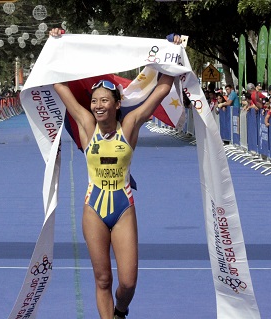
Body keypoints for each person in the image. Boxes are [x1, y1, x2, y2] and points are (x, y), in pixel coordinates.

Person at [49, 27, 181, 319]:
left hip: (123, 207)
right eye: (94, 100)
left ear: (116, 104)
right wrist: (56, 41)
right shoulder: (85, 123)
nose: (97, 105)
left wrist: (171, 50)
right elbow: (59, 84)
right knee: (103, 279)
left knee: (128, 282)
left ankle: (121, 310)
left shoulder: (131, 124)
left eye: (104, 100)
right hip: (93, 207)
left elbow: (162, 88)